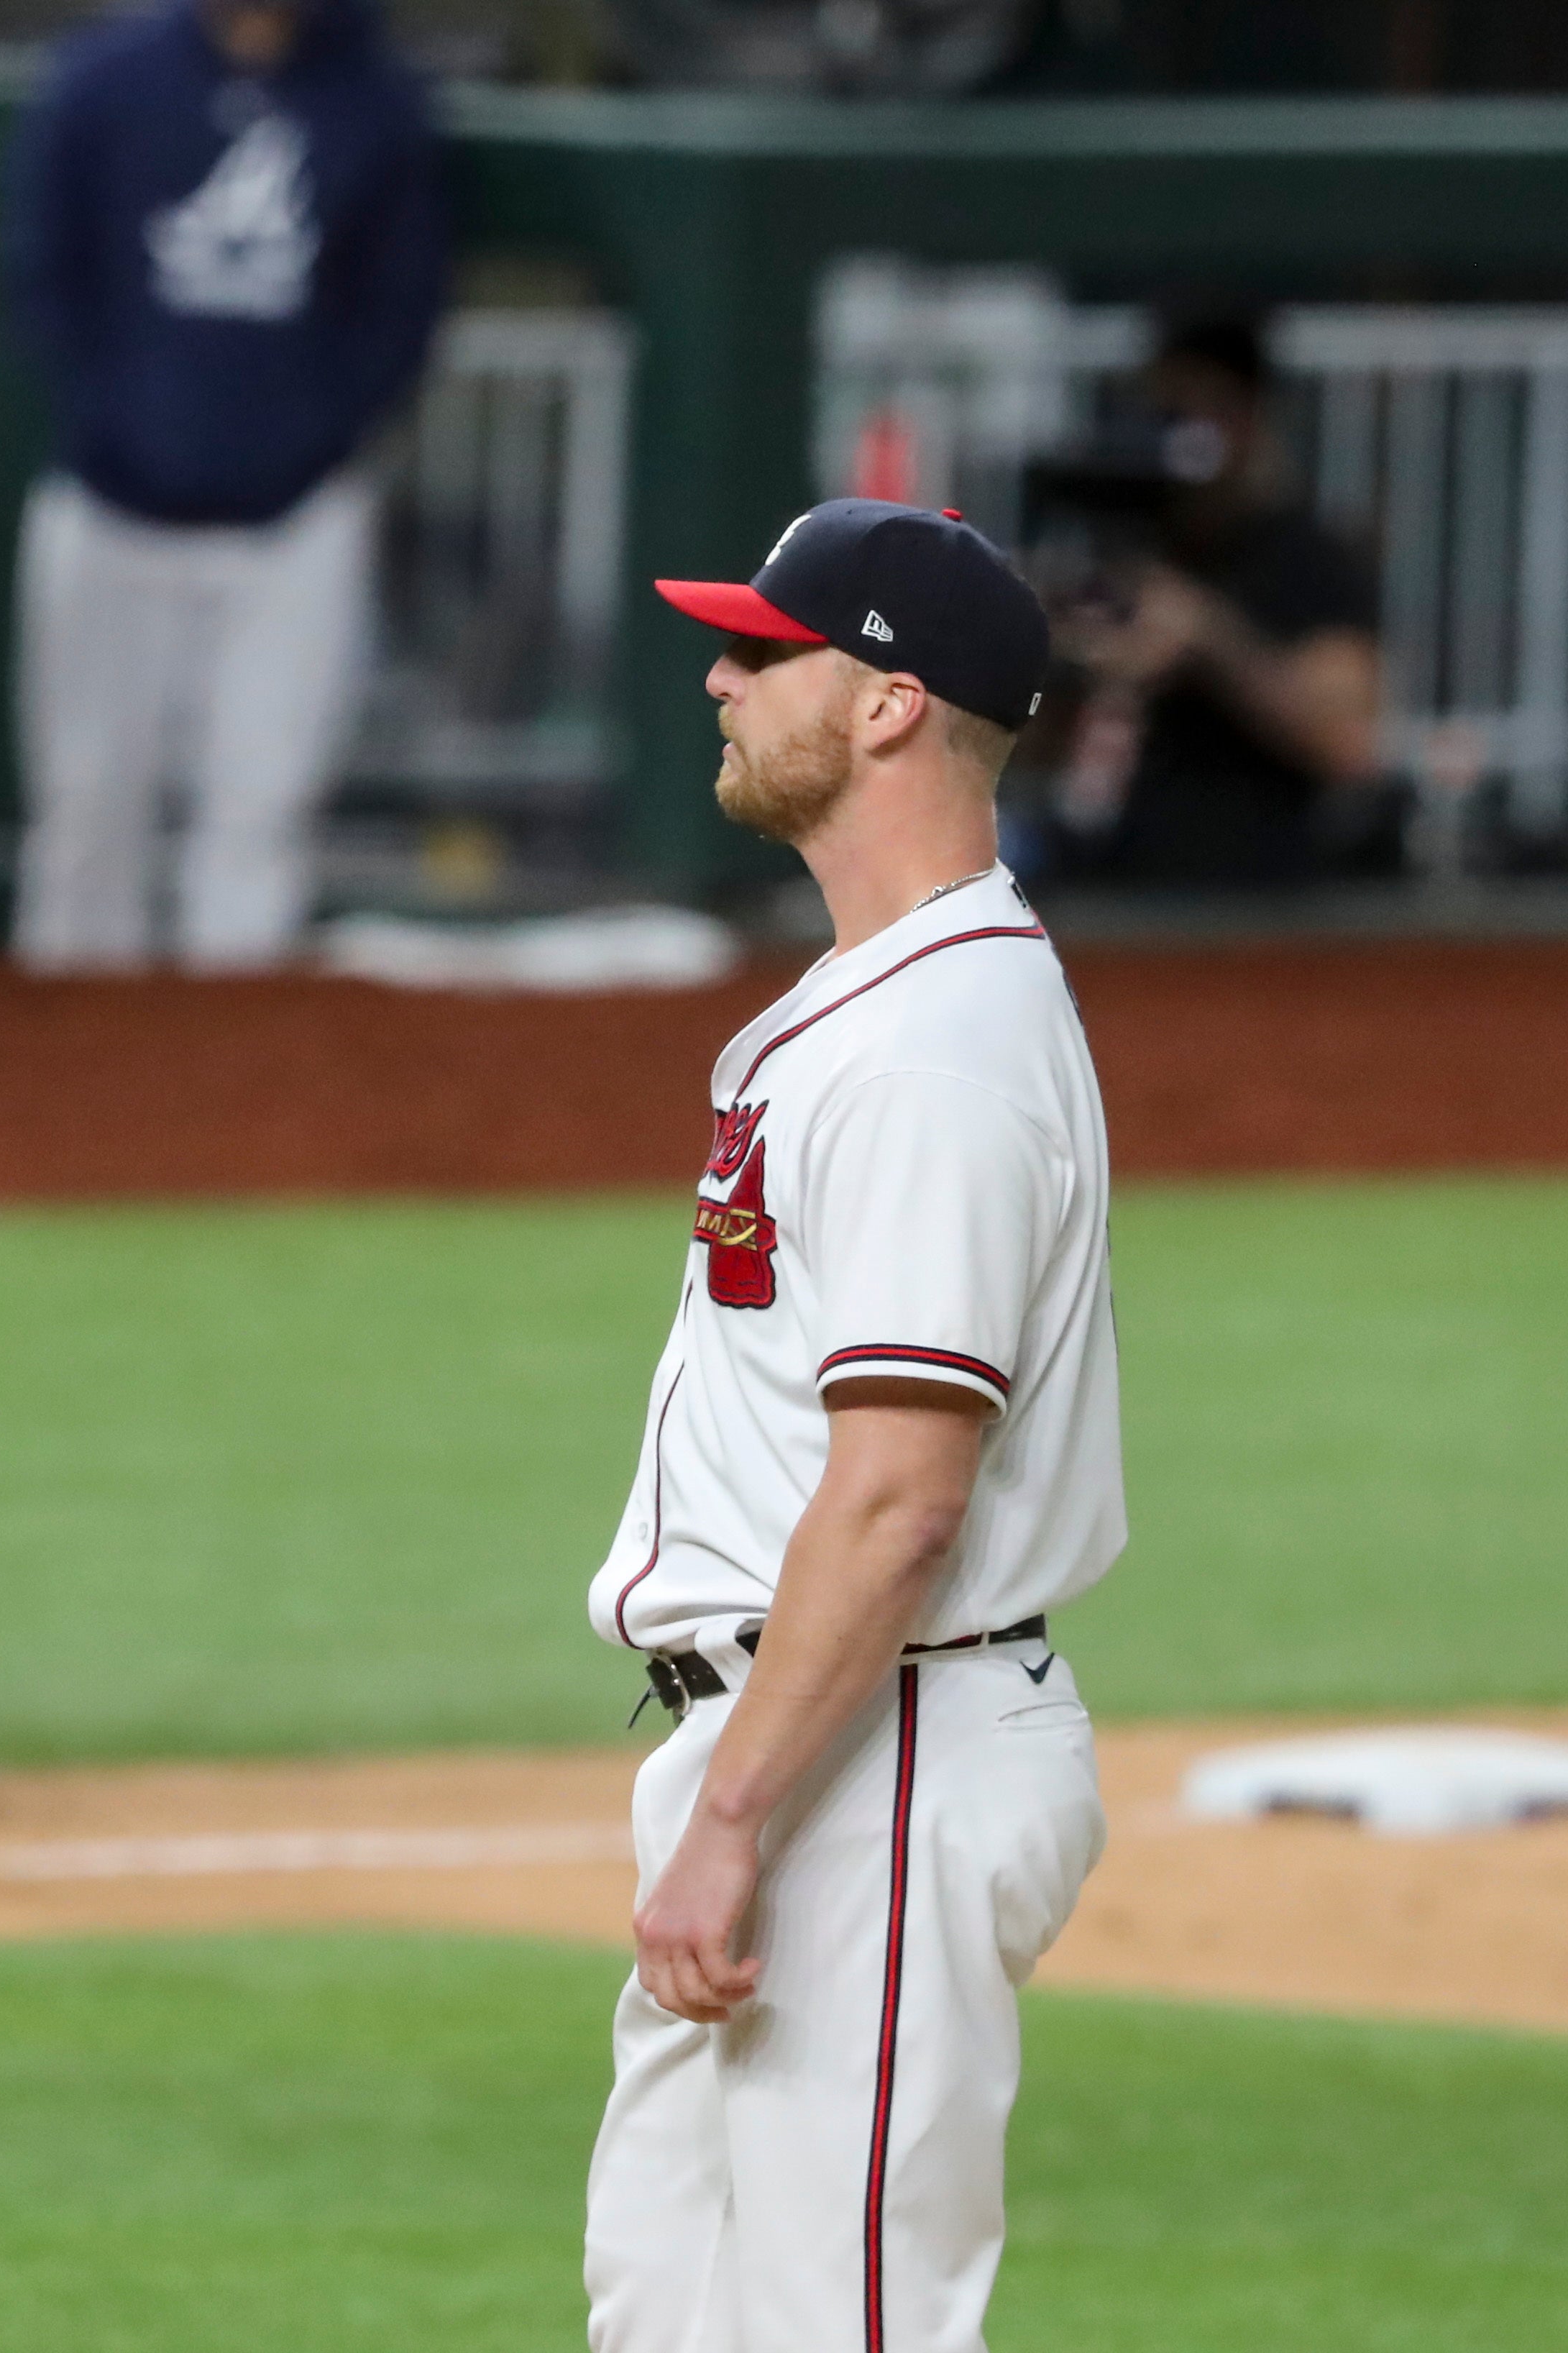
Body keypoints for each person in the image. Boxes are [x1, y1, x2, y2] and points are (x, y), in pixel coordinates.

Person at [583, 501, 1121, 2352]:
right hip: (809, 1738)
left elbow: (896, 1494)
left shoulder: (931, 1053)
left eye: (760, 649)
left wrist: (737, 1811)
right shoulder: (875, 1004)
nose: (718, 679)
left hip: (871, 1750)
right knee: (672, 2317)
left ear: (886, 706)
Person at [2, 0, 445, 972]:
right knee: (85, 802)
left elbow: (401, 306)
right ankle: (63, 1085)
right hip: (109, 505)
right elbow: (43, 278)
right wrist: (114, 427)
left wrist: (312, 439)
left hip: (294, 516)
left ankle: (234, 1094)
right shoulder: (102, 81)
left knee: (261, 808)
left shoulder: (378, 95)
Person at [1058, 312, 1385, 886]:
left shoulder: (1309, 560)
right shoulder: (1140, 548)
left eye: (1195, 411)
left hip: (1258, 895)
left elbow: (1345, 742)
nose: (1177, 433)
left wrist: (1208, 636)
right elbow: (1045, 740)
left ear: (1246, 411)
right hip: (1128, 880)